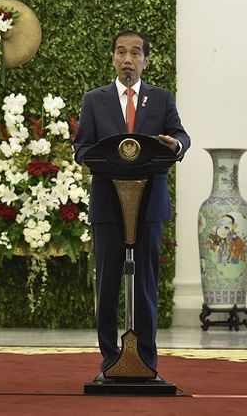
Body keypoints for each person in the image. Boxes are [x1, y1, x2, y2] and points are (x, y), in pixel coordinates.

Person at [73, 30, 191, 377]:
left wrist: (175, 146)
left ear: (145, 61)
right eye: (122, 52)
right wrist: (94, 156)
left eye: (135, 53)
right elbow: (82, 147)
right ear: (112, 58)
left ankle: (145, 363)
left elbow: (181, 136)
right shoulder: (95, 100)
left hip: (149, 205)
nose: (128, 59)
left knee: (145, 287)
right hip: (109, 208)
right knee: (108, 286)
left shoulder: (161, 99)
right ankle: (110, 362)